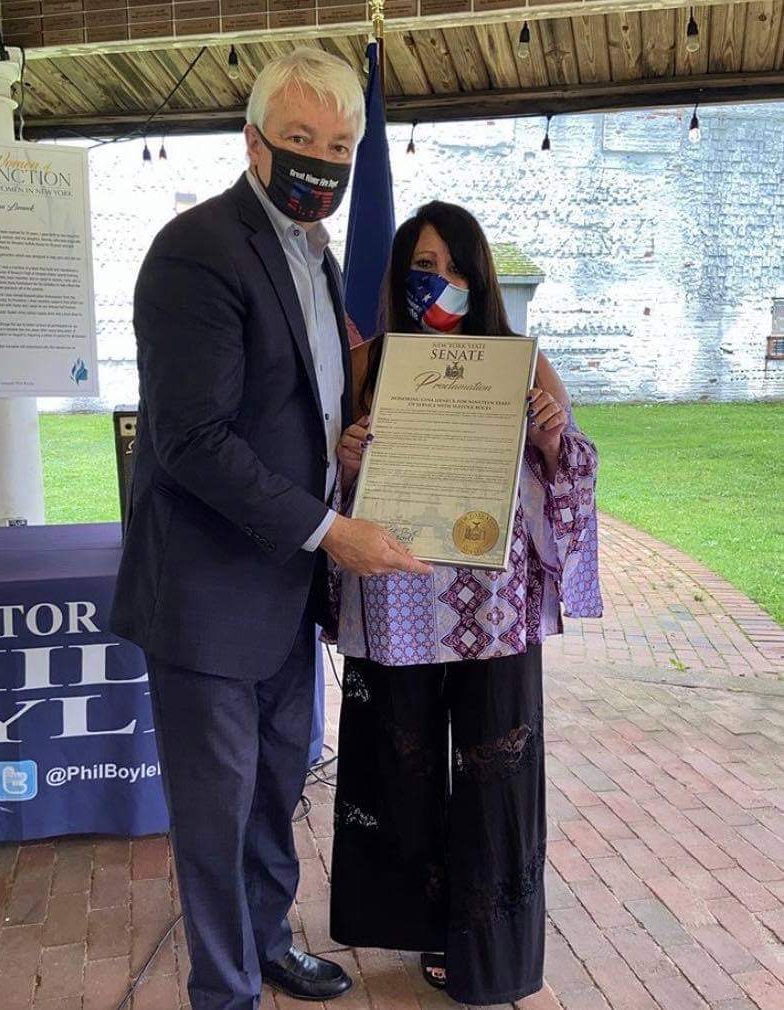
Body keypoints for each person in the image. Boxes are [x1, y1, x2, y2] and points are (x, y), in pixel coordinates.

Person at [110, 48, 429, 1010]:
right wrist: (331, 529)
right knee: (216, 814)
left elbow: (295, 406)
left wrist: (344, 450)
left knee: (275, 789)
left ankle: (267, 942)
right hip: (208, 596)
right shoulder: (198, 250)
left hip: (286, 592)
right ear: (253, 143)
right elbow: (192, 440)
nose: (320, 162)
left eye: (338, 146)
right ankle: (226, 990)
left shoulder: (317, 258)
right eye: (299, 138)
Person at [329, 202, 603, 1005]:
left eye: (453, 266)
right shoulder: (369, 363)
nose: (439, 281)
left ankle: (491, 952)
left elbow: (574, 464)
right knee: (399, 766)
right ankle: (416, 923)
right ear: (399, 275)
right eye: (423, 266)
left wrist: (550, 437)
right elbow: (329, 484)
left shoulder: (521, 362)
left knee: (497, 778)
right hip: (396, 596)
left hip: (494, 604)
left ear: (480, 277)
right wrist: (347, 460)